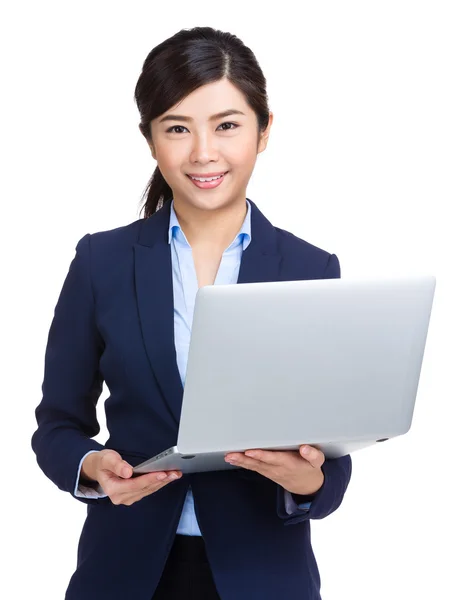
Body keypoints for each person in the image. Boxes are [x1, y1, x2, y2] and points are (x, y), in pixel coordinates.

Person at [31, 26, 352, 600]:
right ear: (150, 139)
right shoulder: (101, 262)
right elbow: (57, 426)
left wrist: (309, 482)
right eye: (177, 128)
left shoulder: (311, 268)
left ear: (264, 130)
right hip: (125, 572)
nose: (203, 152)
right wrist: (91, 468)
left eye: (227, 125)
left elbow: (332, 458)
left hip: (263, 576)